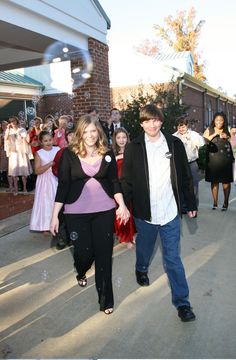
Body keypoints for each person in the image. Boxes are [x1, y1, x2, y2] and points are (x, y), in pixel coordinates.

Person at [120, 103, 197, 322]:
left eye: (155, 120)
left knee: (172, 259)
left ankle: (183, 304)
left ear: (161, 121)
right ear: (141, 123)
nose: (151, 125)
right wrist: (122, 204)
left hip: (170, 212)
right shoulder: (134, 147)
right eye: (146, 121)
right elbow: (126, 180)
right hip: (145, 213)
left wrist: (190, 204)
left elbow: (184, 176)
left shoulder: (174, 144)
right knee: (144, 248)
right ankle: (141, 268)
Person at [50, 115, 130, 315]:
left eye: (93, 130)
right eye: (85, 131)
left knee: (104, 255)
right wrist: (54, 216)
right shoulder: (68, 154)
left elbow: (114, 182)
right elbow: (63, 185)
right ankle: (81, 269)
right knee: (84, 253)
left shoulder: (108, 153)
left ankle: (106, 299)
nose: (90, 135)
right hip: (76, 213)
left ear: (99, 132)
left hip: (104, 211)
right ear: (79, 133)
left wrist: (122, 205)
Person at [29, 130, 60, 233]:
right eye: (45, 141)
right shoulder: (39, 153)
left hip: (57, 178)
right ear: (41, 142)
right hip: (45, 181)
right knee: (46, 203)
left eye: (50, 140)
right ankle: (45, 225)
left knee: (57, 201)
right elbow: (37, 171)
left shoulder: (57, 149)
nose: (48, 143)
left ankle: (59, 223)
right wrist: (49, 164)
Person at [203, 111, 234, 211]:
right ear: (214, 120)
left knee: (226, 182)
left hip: (226, 159)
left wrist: (228, 137)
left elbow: (233, 143)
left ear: (224, 121)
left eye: (221, 120)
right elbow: (205, 140)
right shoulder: (209, 129)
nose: (219, 122)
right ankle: (215, 202)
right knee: (214, 182)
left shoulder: (227, 130)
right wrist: (215, 134)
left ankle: (225, 203)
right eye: (217, 120)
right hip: (213, 159)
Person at [173, 117, 205, 211]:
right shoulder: (174, 137)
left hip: (192, 163)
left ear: (187, 126)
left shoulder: (194, 135)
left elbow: (202, 148)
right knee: (181, 184)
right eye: (179, 127)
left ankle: (194, 206)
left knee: (194, 184)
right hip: (179, 164)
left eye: (182, 127)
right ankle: (183, 206)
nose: (181, 129)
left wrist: (202, 164)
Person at [112, 127, 136, 248]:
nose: (121, 140)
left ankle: (131, 234)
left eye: (124, 137)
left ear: (127, 138)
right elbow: (109, 169)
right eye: (119, 138)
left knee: (131, 210)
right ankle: (124, 235)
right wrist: (117, 158)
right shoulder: (111, 153)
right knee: (121, 210)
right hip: (117, 186)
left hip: (130, 185)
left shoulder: (132, 150)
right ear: (115, 139)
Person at [52, 127, 75, 250]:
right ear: (66, 138)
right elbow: (54, 167)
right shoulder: (61, 152)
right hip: (65, 186)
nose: (72, 137)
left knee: (73, 215)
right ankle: (62, 238)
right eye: (70, 135)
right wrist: (62, 175)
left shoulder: (81, 151)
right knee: (62, 214)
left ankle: (72, 238)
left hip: (77, 188)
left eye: (74, 135)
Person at [4, 116, 33, 195]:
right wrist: (7, 130)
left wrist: (27, 134)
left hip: (21, 152)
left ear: (16, 121)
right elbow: (6, 140)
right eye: (11, 121)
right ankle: (15, 189)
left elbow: (27, 140)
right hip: (13, 153)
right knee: (14, 172)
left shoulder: (22, 130)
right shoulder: (8, 131)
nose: (13, 122)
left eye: (14, 121)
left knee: (24, 172)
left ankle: (24, 189)